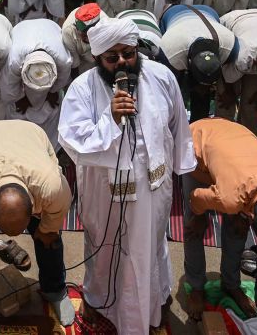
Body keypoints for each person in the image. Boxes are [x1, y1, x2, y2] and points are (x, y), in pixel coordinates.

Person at [58, 17, 196, 334]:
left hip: (152, 190)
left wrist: (181, 168)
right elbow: (74, 142)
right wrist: (111, 117)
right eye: (113, 57)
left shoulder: (161, 77)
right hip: (105, 194)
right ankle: (101, 300)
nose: (122, 61)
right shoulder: (83, 88)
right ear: (98, 58)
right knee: (106, 250)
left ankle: (153, 300)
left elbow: (177, 125)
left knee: (149, 247)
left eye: (129, 53)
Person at [0, 120, 75, 335]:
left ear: (34, 209)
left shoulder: (53, 189)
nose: (14, 237)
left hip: (31, 135)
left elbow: (52, 221)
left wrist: (45, 230)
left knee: (50, 238)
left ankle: (55, 290)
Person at [183, 118, 257, 327]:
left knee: (237, 229)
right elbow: (195, 198)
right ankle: (197, 287)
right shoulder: (229, 198)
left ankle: (231, 284)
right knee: (193, 229)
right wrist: (200, 217)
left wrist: (241, 216)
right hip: (198, 143)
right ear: (253, 216)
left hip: (235, 142)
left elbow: (242, 199)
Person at [0, 18, 72, 146]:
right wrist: (20, 98)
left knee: (54, 109)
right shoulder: (14, 62)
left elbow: (62, 81)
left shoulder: (63, 61)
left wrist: (53, 92)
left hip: (49, 27)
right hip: (22, 29)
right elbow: (8, 92)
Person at [159, 4, 238, 122]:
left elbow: (229, 74)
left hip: (209, 12)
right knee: (177, 93)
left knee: (201, 95)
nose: (205, 87)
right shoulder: (170, 53)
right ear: (188, 62)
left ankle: (199, 122)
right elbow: (169, 87)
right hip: (172, 14)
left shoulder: (231, 47)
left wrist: (227, 91)